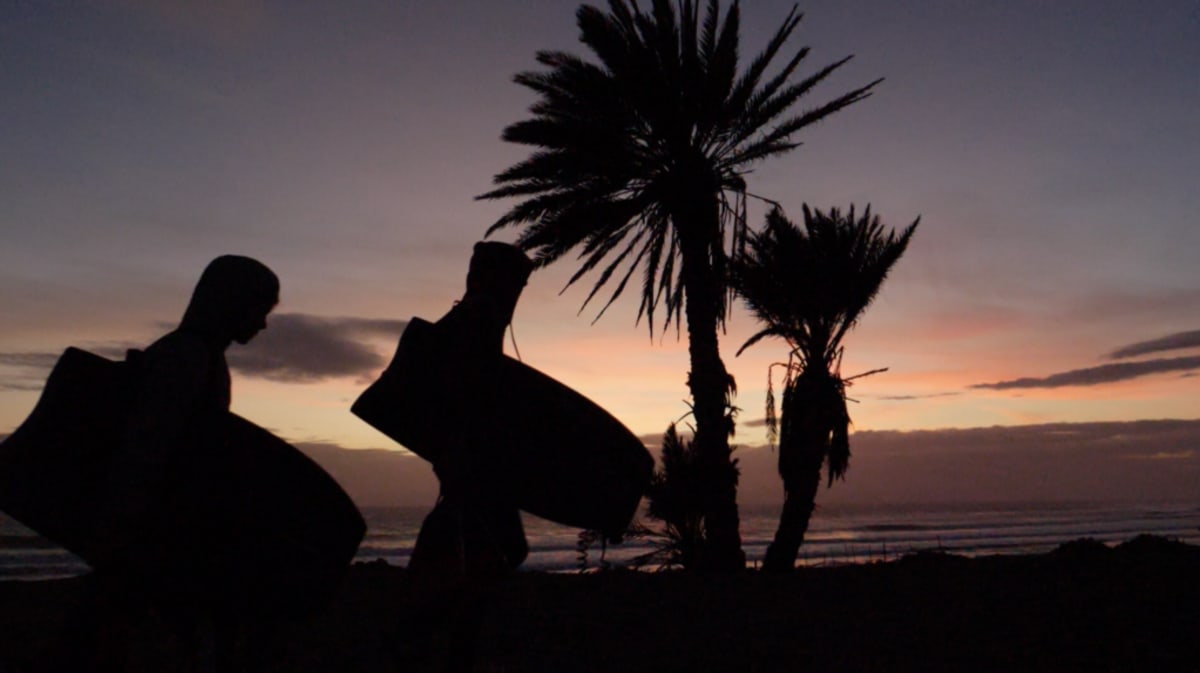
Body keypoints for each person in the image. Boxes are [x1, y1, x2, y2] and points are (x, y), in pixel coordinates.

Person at [75, 255, 280, 672]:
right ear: (231, 301)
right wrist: (122, 534)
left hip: (159, 534)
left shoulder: (200, 357)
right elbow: (146, 449)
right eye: (260, 308)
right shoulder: (185, 358)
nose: (262, 323)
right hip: (149, 536)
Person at [408, 241, 535, 578]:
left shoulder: (472, 315)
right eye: (517, 284)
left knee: (476, 542)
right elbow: (465, 389)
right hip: (472, 457)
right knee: (493, 548)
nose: (517, 295)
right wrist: (458, 446)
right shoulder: (481, 316)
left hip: (470, 456)